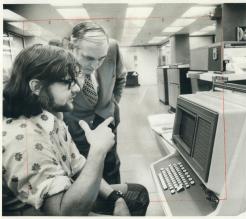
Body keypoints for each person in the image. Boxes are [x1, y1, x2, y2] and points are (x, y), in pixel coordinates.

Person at [2, 44, 149, 216]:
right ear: (36, 87)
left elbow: (78, 166)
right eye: (67, 82)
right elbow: (66, 214)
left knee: (137, 195)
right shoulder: (26, 140)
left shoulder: (50, 116)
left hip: (65, 190)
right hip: (47, 211)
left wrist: (116, 198)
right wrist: (98, 151)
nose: (77, 89)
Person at [63, 22, 126, 184]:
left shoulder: (112, 47)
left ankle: (115, 200)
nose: (95, 65)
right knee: (84, 170)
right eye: (89, 58)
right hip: (77, 126)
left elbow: (120, 77)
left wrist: (111, 102)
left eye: (101, 59)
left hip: (107, 118)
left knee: (111, 164)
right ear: (72, 47)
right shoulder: (58, 60)